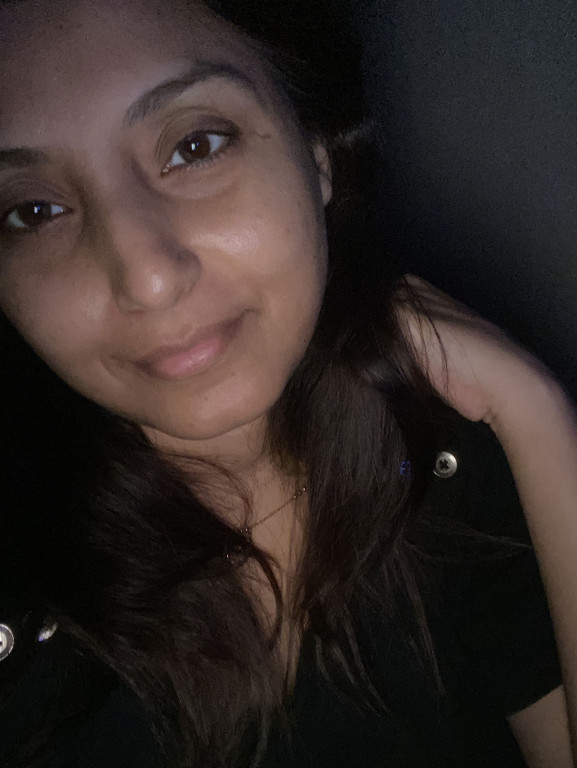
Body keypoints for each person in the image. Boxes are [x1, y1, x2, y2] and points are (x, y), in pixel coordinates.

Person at [0, 1, 576, 766]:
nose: (145, 278)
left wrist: (532, 411)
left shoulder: (440, 460)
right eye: (34, 211)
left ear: (319, 156)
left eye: (195, 146)